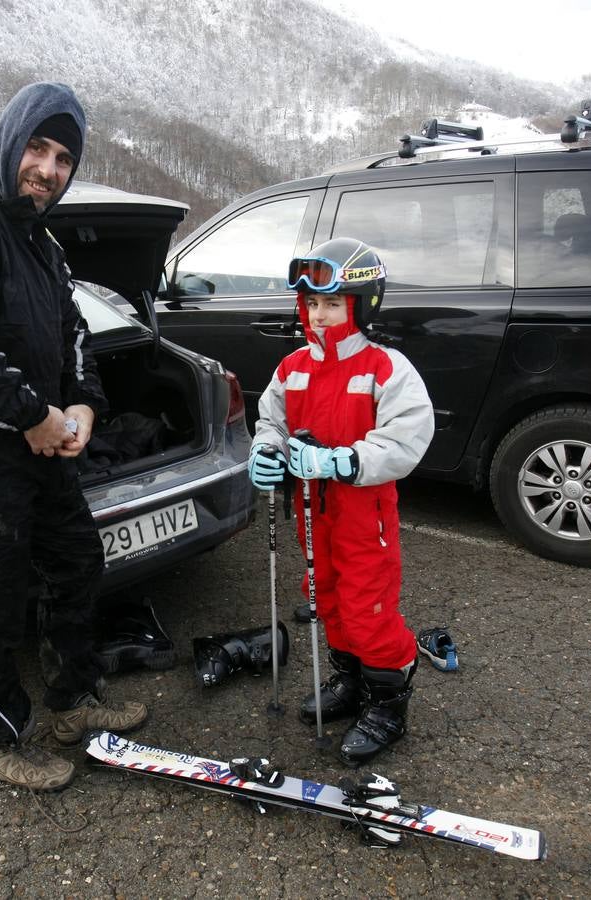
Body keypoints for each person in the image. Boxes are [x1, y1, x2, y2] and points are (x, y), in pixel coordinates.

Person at [0, 82, 147, 792]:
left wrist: (83, 409)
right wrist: (34, 417)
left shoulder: (42, 243)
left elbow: (73, 335)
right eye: (37, 148)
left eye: (64, 158)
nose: (48, 168)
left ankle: (74, 699)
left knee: (76, 563)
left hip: (38, 440)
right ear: (10, 139)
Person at [247, 238, 434, 766]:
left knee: (366, 606)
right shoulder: (293, 367)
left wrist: (344, 461)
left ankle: (388, 705)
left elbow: (406, 437)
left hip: (362, 514)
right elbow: (272, 421)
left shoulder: (384, 367)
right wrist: (266, 451)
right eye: (311, 305)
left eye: (333, 304)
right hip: (312, 512)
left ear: (361, 303)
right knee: (325, 595)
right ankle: (350, 681)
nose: (321, 315)